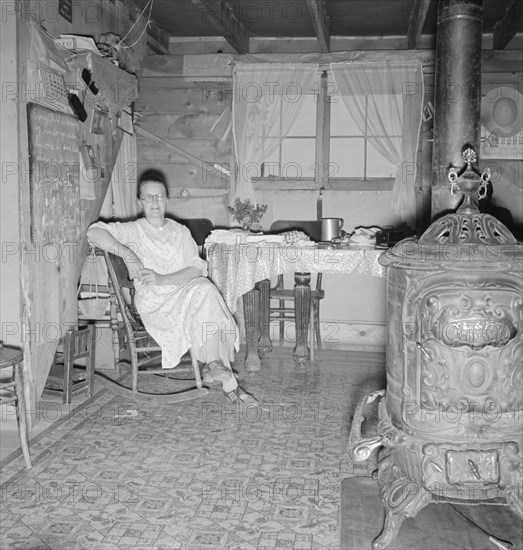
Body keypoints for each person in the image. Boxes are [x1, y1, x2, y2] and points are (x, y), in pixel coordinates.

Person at [86, 169, 257, 406]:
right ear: (140, 201)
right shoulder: (132, 230)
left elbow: (197, 269)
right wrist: (127, 254)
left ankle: (217, 368)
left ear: (166, 199)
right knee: (204, 295)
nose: (154, 202)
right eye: (148, 197)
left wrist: (162, 278)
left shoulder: (180, 231)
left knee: (203, 290)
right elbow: (93, 233)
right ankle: (224, 377)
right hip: (156, 303)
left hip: (186, 295)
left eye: (159, 196)